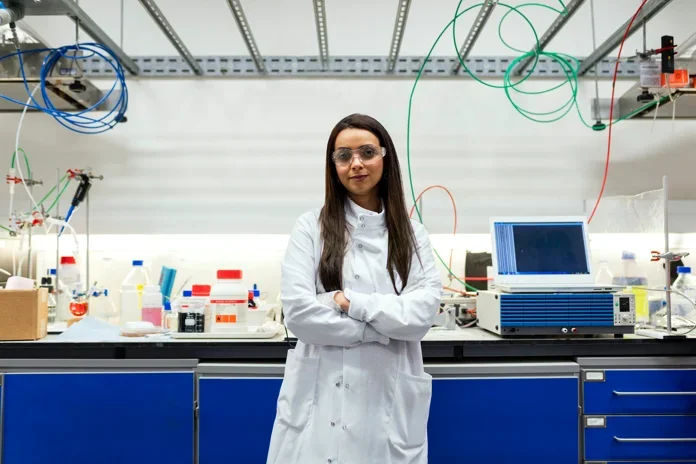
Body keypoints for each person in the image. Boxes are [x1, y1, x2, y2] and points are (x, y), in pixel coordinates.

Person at [267, 114, 442, 464]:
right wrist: (380, 330)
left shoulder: (412, 235)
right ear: (333, 166)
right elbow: (300, 315)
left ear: (384, 157)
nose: (356, 164)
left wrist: (350, 303)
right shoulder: (310, 228)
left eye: (366, 152)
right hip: (317, 405)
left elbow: (421, 316)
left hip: (387, 407)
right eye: (344, 155)